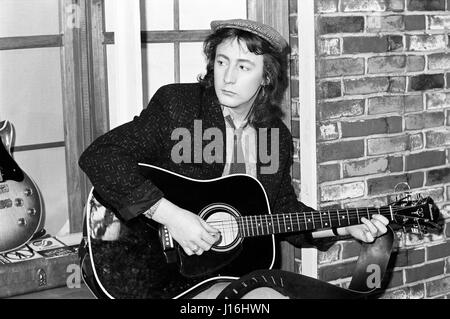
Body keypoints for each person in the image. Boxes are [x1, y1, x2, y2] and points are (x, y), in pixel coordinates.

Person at [79, 18, 389, 299]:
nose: (227, 77)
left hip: (221, 275)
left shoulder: (273, 135)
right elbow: (101, 156)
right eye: (222, 62)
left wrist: (343, 228)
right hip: (147, 268)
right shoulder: (178, 107)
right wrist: (171, 216)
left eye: (243, 67)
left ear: (266, 77)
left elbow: (281, 212)